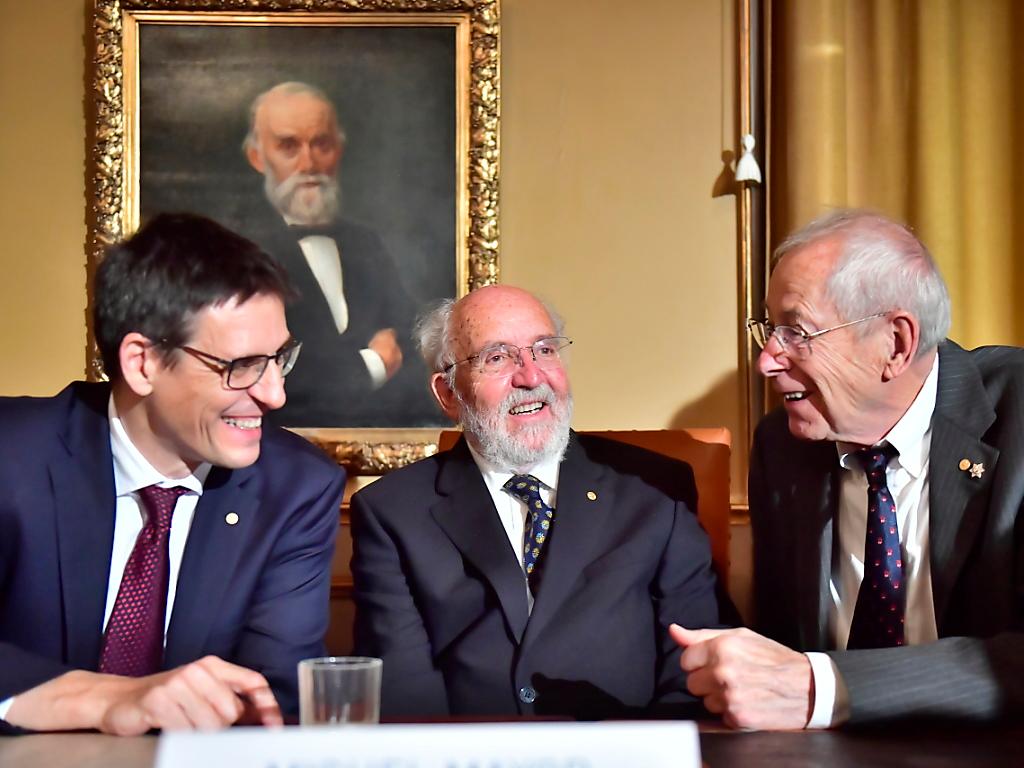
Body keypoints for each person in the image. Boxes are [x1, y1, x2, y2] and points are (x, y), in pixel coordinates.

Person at [672, 209, 1024, 729]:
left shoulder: (1016, 416)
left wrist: (827, 686)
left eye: (797, 332)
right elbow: (783, 643)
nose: (766, 361)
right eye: (770, 329)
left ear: (895, 344)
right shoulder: (782, 447)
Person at [0, 213, 346, 734]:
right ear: (142, 363)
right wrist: (103, 701)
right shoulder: (13, 455)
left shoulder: (297, 488)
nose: (275, 394)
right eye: (242, 366)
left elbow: (271, 697)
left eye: (279, 358)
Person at [350, 284, 723, 719]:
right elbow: (406, 693)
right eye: (497, 357)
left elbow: (694, 664)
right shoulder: (392, 513)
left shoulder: (656, 490)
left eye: (544, 350)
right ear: (448, 394)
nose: (531, 377)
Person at [239, 81, 434, 428]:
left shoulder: (366, 242)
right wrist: (372, 364)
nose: (309, 163)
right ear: (257, 157)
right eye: (289, 146)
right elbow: (261, 370)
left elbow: (411, 343)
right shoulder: (240, 250)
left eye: (321, 144)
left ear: (339, 150)